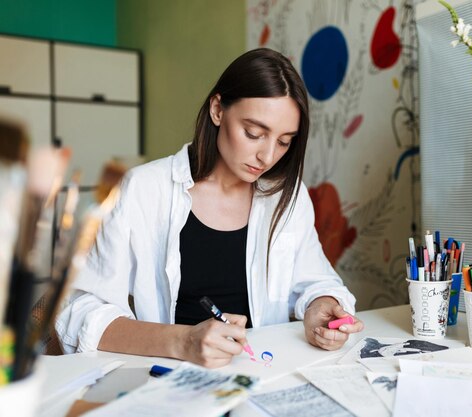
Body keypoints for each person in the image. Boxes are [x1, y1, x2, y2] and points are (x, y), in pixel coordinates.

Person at [55, 48, 364, 368]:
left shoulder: (286, 194)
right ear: (218, 110)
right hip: (169, 375)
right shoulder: (144, 189)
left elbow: (316, 281)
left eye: (284, 141)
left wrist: (320, 305)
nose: (268, 156)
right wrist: (183, 341)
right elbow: (79, 309)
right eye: (254, 133)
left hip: (263, 370)